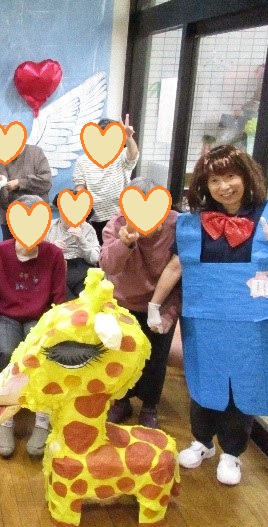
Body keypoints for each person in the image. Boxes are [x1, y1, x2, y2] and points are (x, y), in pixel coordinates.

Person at [148, 145, 268, 486]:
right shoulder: (193, 223)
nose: (224, 186)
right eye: (215, 180)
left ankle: (232, 453)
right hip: (205, 322)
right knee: (203, 381)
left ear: (247, 176)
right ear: (205, 185)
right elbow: (175, 266)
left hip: (254, 323)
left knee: (242, 387)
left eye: (231, 176)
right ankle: (202, 442)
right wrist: (154, 305)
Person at [0, 195, 66, 458]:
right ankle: (6, 418)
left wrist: (58, 332)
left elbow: (59, 299)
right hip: (5, 316)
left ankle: (42, 419)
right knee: (5, 351)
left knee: (41, 354)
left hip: (40, 317)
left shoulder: (54, 255)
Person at [99, 177, 181, 429]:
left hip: (161, 302)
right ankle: (121, 401)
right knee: (121, 356)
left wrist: (168, 314)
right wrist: (125, 243)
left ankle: (149, 406)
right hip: (124, 302)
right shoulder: (117, 224)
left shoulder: (177, 224)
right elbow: (108, 265)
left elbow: (179, 273)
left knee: (156, 359)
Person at [73, 115, 139, 244]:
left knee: (117, 250)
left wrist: (129, 137)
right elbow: (80, 188)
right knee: (97, 251)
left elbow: (133, 155)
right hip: (93, 218)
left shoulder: (121, 156)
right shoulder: (82, 161)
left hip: (119, 217)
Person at [0, 144, 52, 240]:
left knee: (39, 248)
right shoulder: (0, 161)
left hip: (36, 218)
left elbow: (45, 183)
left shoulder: (36, 153)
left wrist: (20, 183)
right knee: (11, 249)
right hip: (10, 222)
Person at [45, 193, 100, 300]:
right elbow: (37, 256)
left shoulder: (87, 228)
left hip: (80, 266)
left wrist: (82, 240)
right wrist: (51, 248)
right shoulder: (49, 227)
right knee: (64, 299)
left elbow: (95, 259)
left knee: (89, 297)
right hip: (56, 267)